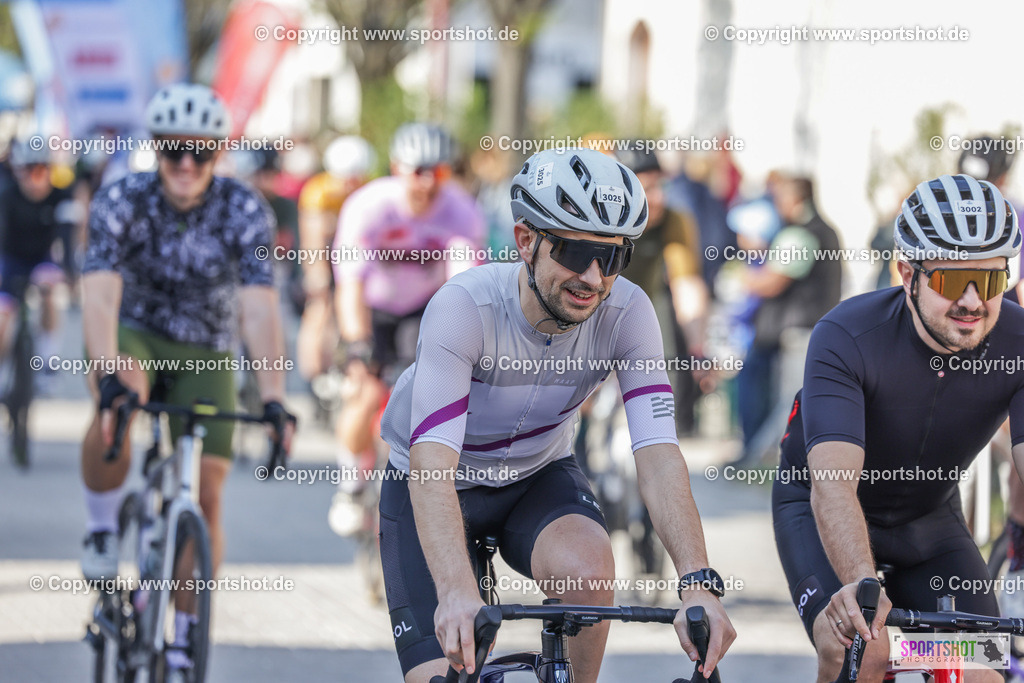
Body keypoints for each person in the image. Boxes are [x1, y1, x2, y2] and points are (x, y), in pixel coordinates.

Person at [377, 148, 735, 683]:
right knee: (439, 677)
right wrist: (455, 590)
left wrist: (698, 582)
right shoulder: (463, 309)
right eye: (575, 250)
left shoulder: (628, 313)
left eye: (613, 258)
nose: (593, 276)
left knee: (591, 577)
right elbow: (432, 462)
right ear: (526, 240)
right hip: (432, 481)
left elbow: (658, 454)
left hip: (535, 476)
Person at [79, 83, 294, 676]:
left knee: (208, 496)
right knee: (117, 403)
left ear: (219, 153)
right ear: (155, 149)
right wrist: (107, 377)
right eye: (173, 150)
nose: (186, 165)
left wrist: (273, 397)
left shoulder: (244, 208)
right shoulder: (123, 197)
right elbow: (98, 296)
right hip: (136, 332)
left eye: (201, 152)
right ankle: (101, 531)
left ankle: (184, 635)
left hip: (206, 348)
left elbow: (258, 308)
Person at [772, 174, 1021, 683]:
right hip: (820, 506)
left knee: (985, 663)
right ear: (906, 271)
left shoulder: (1018, 343)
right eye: (952, 281)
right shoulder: (846, 335)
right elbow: (833, 487)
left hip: (926, 519)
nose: (974, 301)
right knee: (858, 650)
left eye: (992, 280)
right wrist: (862, 588)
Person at [327, 123, 485, 536]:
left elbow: (465, 281)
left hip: (423, 309)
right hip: (372, 309)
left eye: (441, 172)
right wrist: (358, 344)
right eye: (419, 171)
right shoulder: (369, 206)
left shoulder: (460, 209)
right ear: (398, 168)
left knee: (437, 395)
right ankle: (350, 483)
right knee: (364, 390)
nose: (429, 182)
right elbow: (350, 285)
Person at [737, 174, 842, 465]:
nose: (776, 204)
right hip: (812, 328)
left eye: (781, 197)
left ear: (796, 199)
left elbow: (772, 282)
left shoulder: (801, 233)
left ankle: (758, 458)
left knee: (786, 401)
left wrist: (743, 277)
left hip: (798, 332)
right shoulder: (825, 230)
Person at [616, 146, 708, 434]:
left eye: (661, 186)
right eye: (647, 188)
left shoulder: (673, 219)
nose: (657, 198)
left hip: (639, 310)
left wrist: (697, 349)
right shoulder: (603, 218)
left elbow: (686, 286)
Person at [296, 135, 376, 385]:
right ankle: (313, 376)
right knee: (320, 308)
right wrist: (315, 275)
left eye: (356, 177)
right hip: (325, 252)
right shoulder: (319, 190)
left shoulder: (369, 186)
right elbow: (312, 237)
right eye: (345, 178)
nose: (350, 184)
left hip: (355, 255)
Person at [0, 138, 77, 374]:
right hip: (11, 259)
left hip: (42, 259)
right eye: (28, 172)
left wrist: (70, 272)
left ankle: (48, 355)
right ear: (18, 172)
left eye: (41, 170)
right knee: (2, 314)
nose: (35, 179)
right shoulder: (6, 196)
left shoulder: (62, 197)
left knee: (48, 289)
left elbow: (67, 239)